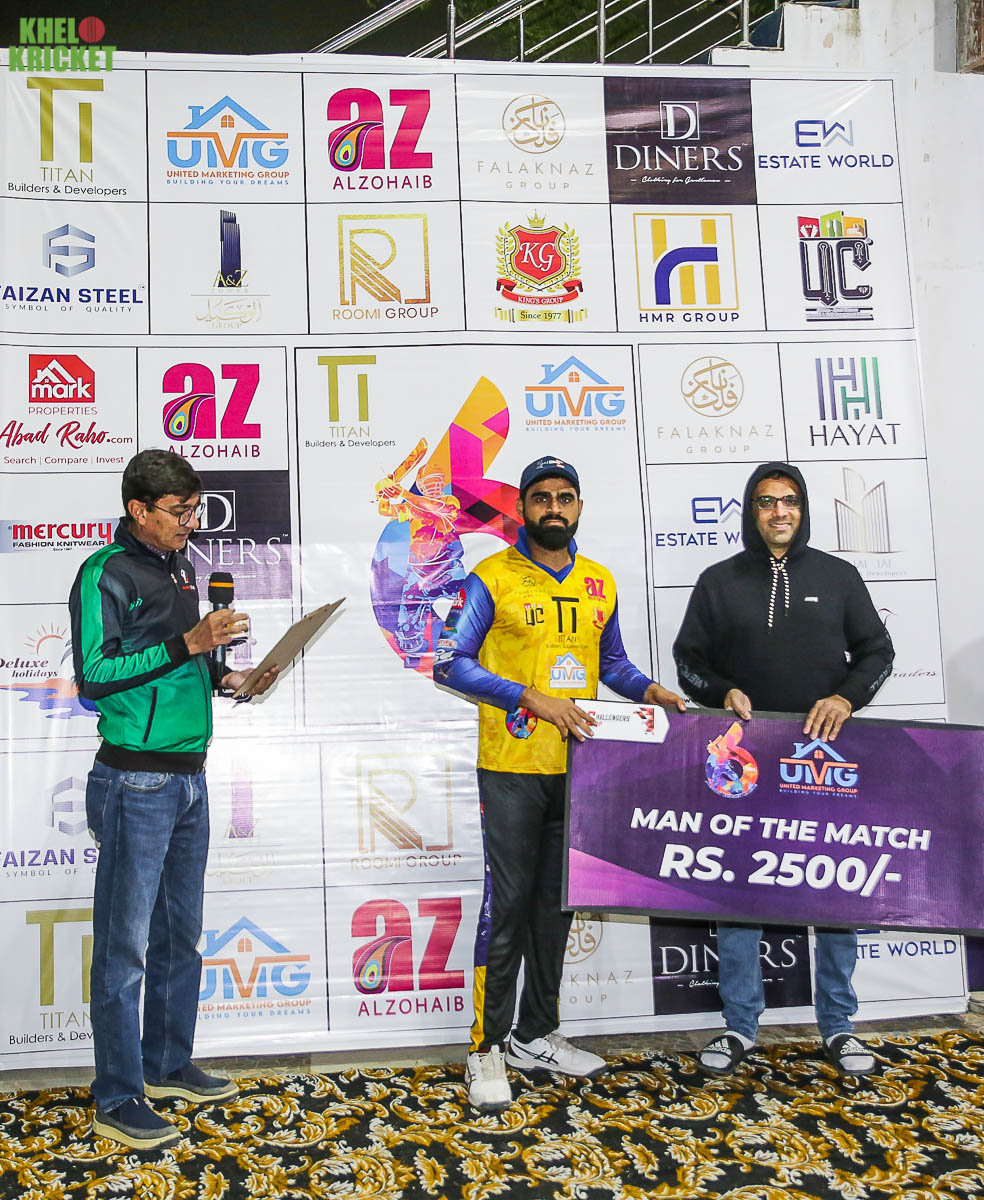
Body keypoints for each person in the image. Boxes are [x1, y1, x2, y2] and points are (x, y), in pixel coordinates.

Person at [433, 456, 686, 1111]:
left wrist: (650, 690)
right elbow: (449, 664)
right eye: (541, 497)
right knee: (509, 908)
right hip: (512, 769)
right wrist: (531, 697)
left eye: (564, 497)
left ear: (577, 506)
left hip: (581, 769)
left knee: (557, 907)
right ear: (522, 508)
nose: (553, 507)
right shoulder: (490, 577)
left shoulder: (599, 581)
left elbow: (613, 664)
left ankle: (536, 1035)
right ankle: (486, 1048)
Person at [68, 449, 277, 1150]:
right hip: (135, 780)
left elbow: (184, 666)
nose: (192, 522)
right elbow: (95, 676)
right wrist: (188, 641)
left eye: (195, 509)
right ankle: (117, 1095)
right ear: (138, 510)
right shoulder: (105, 572)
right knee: (124, 948)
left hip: (189, 776)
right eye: (179, 511)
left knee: (179, 935)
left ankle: (165, 1064)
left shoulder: (181, 567)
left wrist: (231, 678)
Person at [673, 460, 894, 1078]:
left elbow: (879, 651)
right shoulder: (718, 581)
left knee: (835, 893)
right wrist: (720, 692)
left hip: (824, 761)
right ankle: (740, 1026)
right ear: (752, 510)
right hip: (742, 764)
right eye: (767, 501)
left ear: (803, 509)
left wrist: (846, 697)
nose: (779, 512)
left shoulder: (838, 575)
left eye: (789, 500)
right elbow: (688, 661)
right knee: (739, 893)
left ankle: (839, 1025)